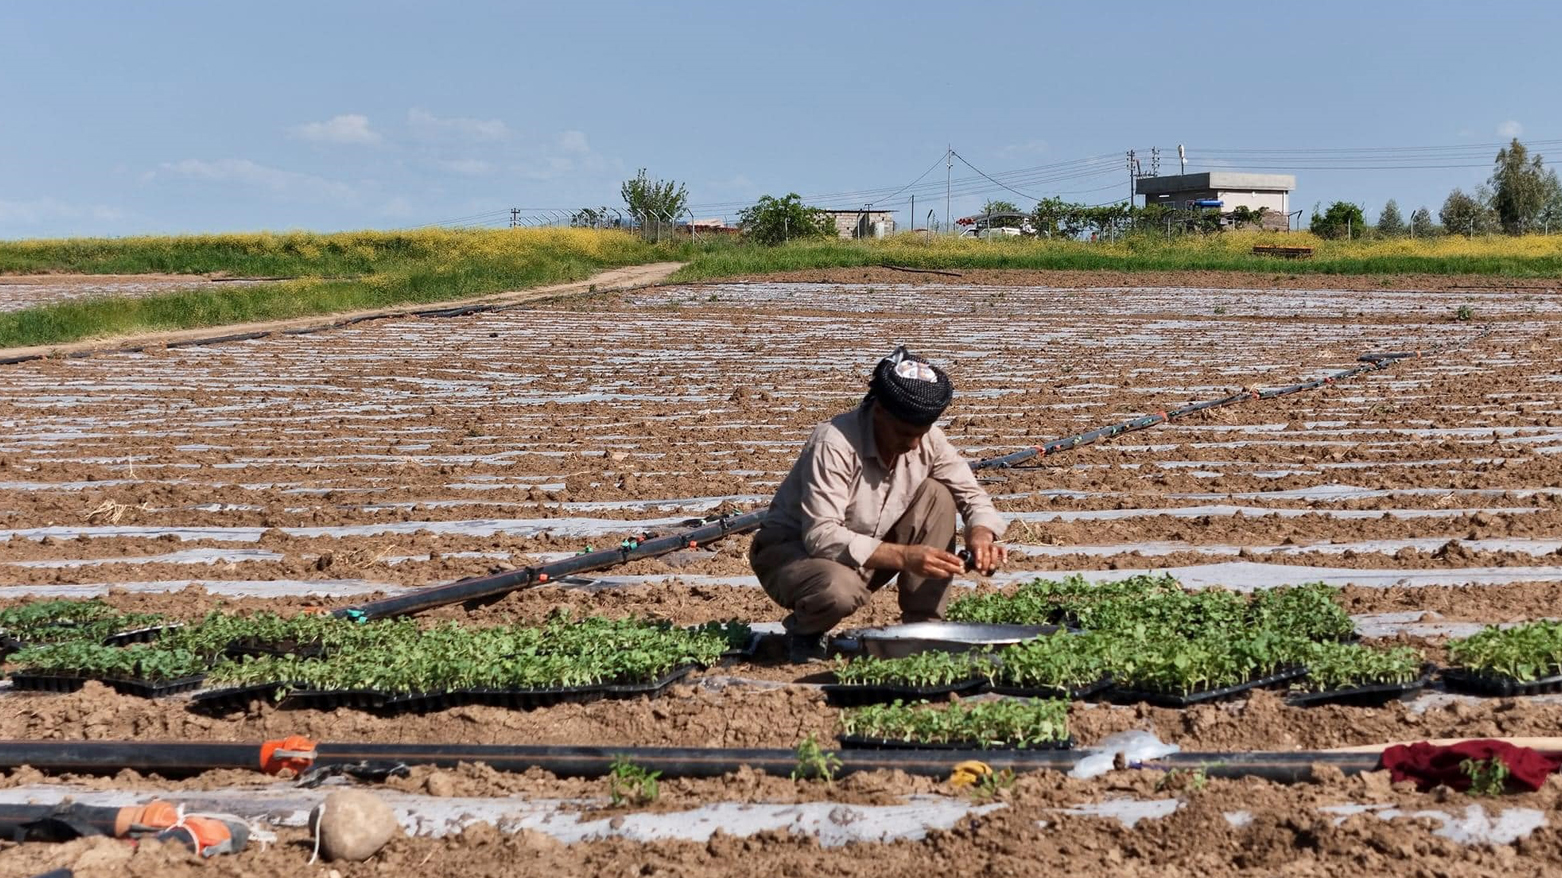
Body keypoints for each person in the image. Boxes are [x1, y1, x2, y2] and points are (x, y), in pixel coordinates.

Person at [749, 346, 1008, 661]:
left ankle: (923, 628)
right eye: (904, 432)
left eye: (921, 433)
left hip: (862, 552)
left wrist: (980, 533)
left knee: (937, 495)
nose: (913, 443)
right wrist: (905, 556)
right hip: (793, 555)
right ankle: (805, 633)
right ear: (879, 412)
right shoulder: (835, 442)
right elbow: (821, 536)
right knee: (838, 590)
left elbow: (971, 494)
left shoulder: (926, 440)